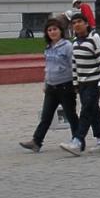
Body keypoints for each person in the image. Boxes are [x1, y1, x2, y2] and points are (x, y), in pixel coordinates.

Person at [19, 18, 80, 152]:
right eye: (49, 30)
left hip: (65, 86)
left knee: (71, 115)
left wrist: (76, 84)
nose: (52, 32)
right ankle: (36, 141)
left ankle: (78, 140)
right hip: (51, 87)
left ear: (61, 31)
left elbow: (74, 65)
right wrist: (45, 83)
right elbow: (48, 67)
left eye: (55, 29)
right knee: (46, 116)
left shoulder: (68, 46)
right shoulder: (48, 48)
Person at [60, 12, 100, 155]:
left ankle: (77, 140)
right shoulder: (75, 42)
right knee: (94, 111)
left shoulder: (95, 38)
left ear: (86, 23)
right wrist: (75, 82)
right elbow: (74, 64)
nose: (76, 25)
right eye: (74, 22)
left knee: (86, 111)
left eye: (79, 22)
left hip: (94, 82)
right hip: (82, 83)